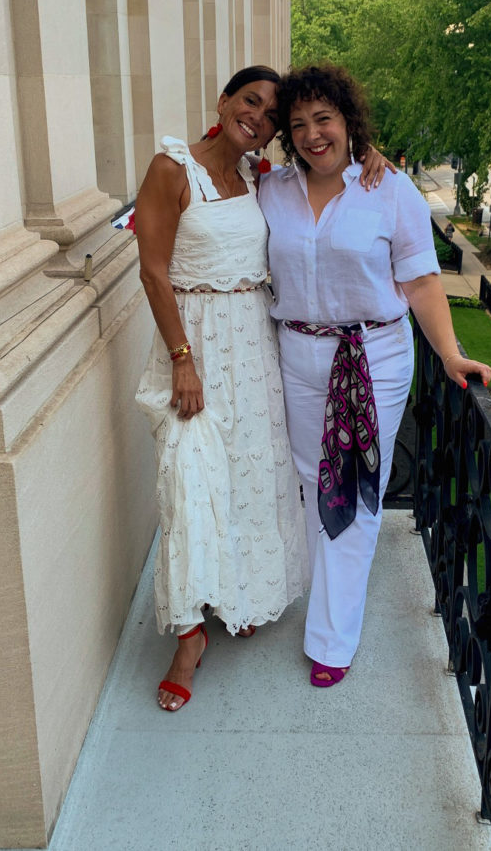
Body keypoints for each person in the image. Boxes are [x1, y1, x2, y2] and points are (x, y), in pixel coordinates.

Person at [134, 65, 387, 711]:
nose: (261, 119)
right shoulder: (171, 169)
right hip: (194, 345)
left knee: (247, 480)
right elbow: (154, 272)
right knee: (188, 483)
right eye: (252, 102)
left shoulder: (258, 177)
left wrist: (365, 154)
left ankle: (238, 597)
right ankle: (189, 636)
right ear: (222, 100)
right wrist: (181, 359)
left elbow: (325, 184)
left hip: (253, 343)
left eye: (272, 115)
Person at [259, 64, 491, 687]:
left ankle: (333, 637)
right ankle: (324, 591)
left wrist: (449, 353)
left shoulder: (389, 189)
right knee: (313, 483)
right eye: (299, 123)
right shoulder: (271, 188)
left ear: (349, 122)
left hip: (372, 359)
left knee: (356, 488)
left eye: (325, 119)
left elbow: (420, 280)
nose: (313, 135)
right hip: (298, 353)